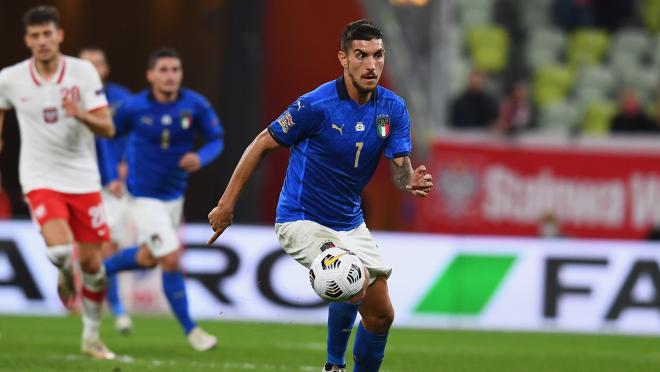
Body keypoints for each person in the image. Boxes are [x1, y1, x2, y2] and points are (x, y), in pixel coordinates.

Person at [207, 20, 433, 372]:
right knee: (351, 278)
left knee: (381, 315)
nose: (371, 65)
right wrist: (226, 204)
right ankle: (333, 365)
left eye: (378, 55)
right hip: (301, 218)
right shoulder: (316, 105)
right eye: (361, 55)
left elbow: (400, 165)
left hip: (349, 221)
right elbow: (261, 144)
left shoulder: (393, 109)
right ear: (343, 58)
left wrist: (408, 181)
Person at [0, 6, 116, 359]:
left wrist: (78, 112)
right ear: (27, 40)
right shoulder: (10, 78)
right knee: (63, 251)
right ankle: (65, 271)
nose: (42, 41)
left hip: (82, 178)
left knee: (94, 268)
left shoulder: (82, 73)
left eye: (47, 34)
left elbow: (108, 128)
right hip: (39, 177)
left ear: (59, 35)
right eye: (34, 36)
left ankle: (92, 337)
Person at [102, 47, 223, 351]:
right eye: (164, 70)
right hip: (142, 197)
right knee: (170, 258)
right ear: (151, 75)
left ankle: (100, 269)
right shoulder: (133, 107)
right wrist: (113, 174)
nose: (171, 76)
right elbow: (108, 135)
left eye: (175, 70)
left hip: (174, 196)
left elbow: (216, 139)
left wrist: (201, 156)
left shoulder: (194, 105)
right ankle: (192, 331)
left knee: (149, 257)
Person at [79, 47, 134, 334]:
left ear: (105, 69)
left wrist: (124, 165)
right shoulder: (68, 99)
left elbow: (136, 134)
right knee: (92, 248)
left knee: (108, 247)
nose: (91, 69)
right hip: (78, 181)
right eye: (85, 64)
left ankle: (114, 306)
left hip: (112, 186)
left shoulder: (122, 99)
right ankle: (114, 308)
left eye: (96, 64)